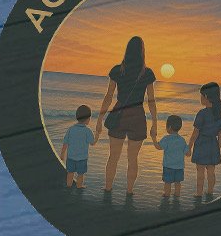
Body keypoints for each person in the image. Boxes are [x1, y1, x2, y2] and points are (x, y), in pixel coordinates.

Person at [96, 36, 157, 200]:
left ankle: (107, 190)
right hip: (137, 115)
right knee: (133, 159)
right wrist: (155, 123)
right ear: (142, 52)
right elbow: (151, 101)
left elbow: (108, 97)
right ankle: (129, 192)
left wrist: (99, 120)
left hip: (119, 113)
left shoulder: (118, 70)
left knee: (113, 157)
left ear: (127, 50)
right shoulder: (147, 73)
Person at [189, 82, 221, 203]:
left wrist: (189, 147)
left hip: (202, 144)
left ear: (206, 96)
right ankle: (210, 191)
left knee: (200, 171)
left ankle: (199, 194)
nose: (200, 98)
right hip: (213, 144)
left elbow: (195, 133)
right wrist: (217, 148)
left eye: (201, 96)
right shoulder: (218, 113)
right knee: (211, 171)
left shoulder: (202, 113)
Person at [60, 106, 95, 190]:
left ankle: (69, 185)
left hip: (71, 157)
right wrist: (97, 134)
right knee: (80, 174)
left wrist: (62, 154)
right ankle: (79, 186)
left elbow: (65, 142)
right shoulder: (88, 130)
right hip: (82, 158)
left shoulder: (71, 129)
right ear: (88, 119)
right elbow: (92, 142)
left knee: (70, 172)